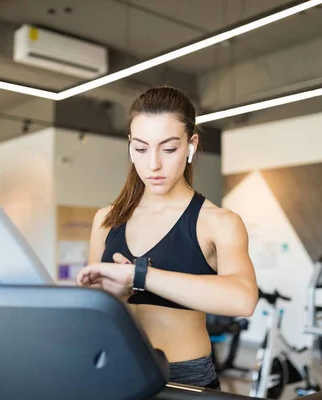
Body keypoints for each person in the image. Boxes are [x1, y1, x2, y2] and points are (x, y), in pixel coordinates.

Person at [76, 86, 258, 390]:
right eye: (142, 148)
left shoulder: (218, 222)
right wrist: (115, 295)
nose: (153, 164)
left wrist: (139, 275)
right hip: (116, 368)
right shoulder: (106, 220)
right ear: (130, 146)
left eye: (169, 149)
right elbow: (99, 311)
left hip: (184, 378)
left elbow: (243, 298)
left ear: (191, 145)